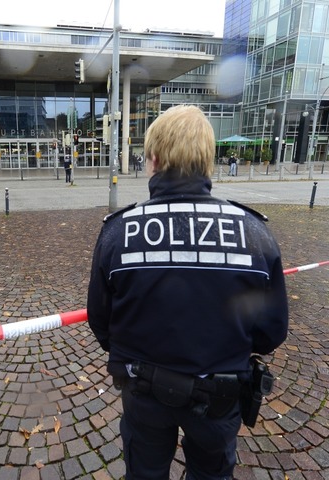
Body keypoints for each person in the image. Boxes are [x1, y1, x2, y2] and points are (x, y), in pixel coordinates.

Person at [86, 105, 288, 479]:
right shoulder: (254, 234)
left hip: (143, 393)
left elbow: (100, 322)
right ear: (208, 162)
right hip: (219, 399)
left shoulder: (118, 232)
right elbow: (271, 331)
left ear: (155, 159)